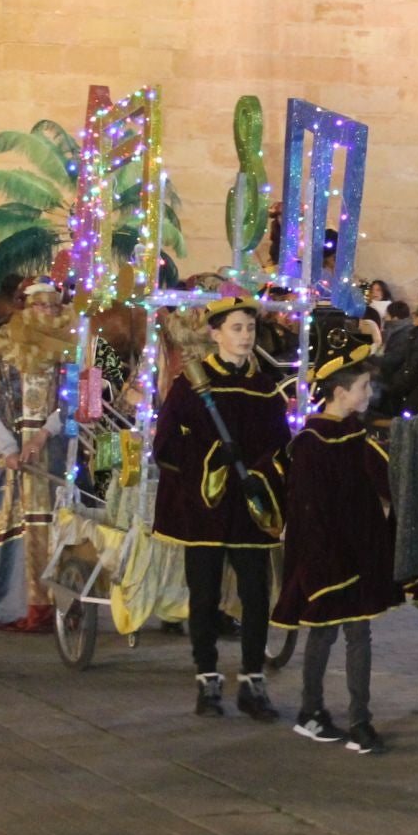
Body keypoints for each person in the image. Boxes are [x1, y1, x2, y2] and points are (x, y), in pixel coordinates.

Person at [153, 296, 288, 717]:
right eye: (236, 328)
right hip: (206, 507)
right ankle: (207, 679)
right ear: (215, 334)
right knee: (205, 594)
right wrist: (210, 458)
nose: (245, 336)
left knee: (254, 593)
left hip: (248, 508)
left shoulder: (265, 388)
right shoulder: (190, 385)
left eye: (249, 328)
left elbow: (280, 445)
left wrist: (263, 473)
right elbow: (167, 446)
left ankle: (253, 680)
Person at [275, 330, 399, 753]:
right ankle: (311, 712)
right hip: (329, 560)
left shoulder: (354, 433)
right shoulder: (312, 442)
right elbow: (310, 510)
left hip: (358, 555)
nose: (369, 393)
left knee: (358, 635)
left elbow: (381, 482)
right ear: (341, 392)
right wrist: (323, 560)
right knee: (325, 634)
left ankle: (360, 720)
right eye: (363, 387)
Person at [0, 279, 72, 632]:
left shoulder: (72, 348)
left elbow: (75, 399)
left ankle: (59, 606)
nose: (47, 312)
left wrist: (43, 434)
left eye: (53, 306)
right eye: (40, 305)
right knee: (15, 523)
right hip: (11, 456)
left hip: (55, 449)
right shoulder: (0, 347)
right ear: (25, 306)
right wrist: (8, 448)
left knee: (61, 525)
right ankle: (18, 607)